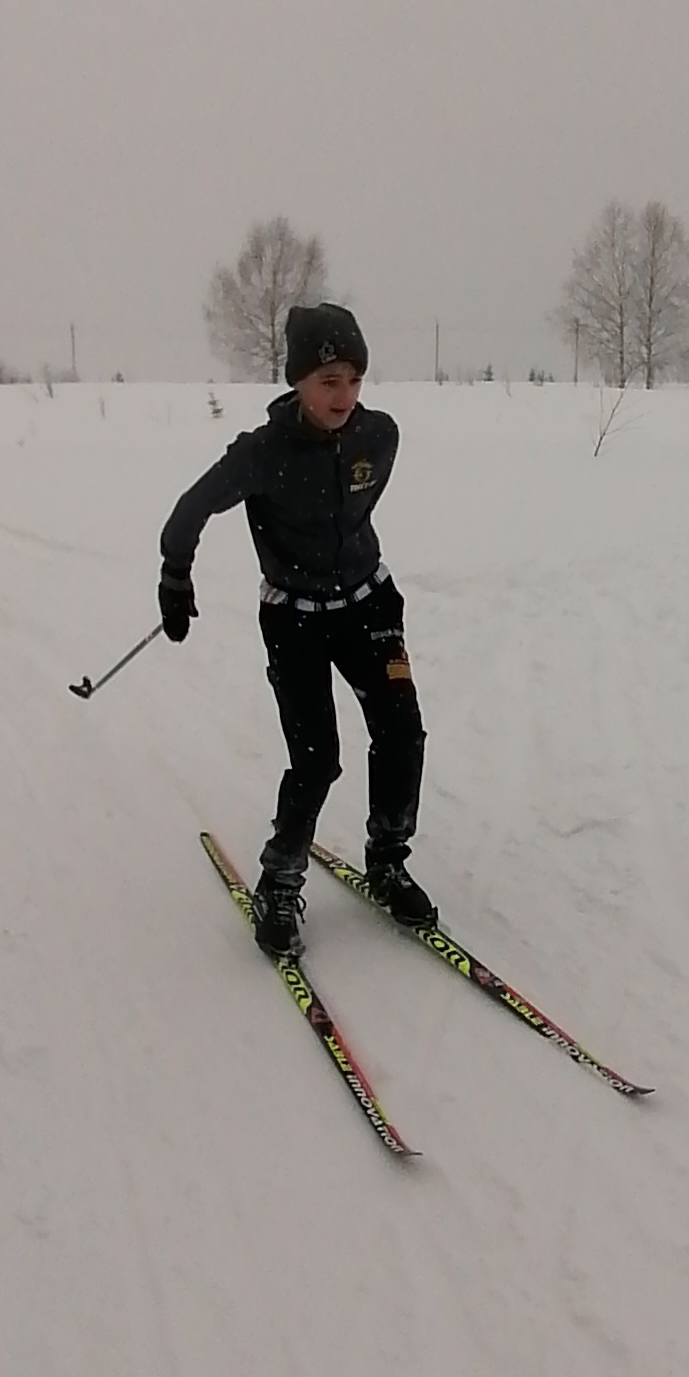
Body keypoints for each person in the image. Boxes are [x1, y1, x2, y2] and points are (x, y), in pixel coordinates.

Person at [158, 301, 434, 959]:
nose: (344, 395)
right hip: (295, 619)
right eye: (328, 380)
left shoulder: (379, 437)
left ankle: (387, 859)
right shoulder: (261, 453)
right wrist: (175, 576)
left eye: (354, 379)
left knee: (401, 732)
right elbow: (190, 510)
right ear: (298, 381)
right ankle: (279, 882)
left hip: (370, 607)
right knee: (316, 759)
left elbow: (352, 511)